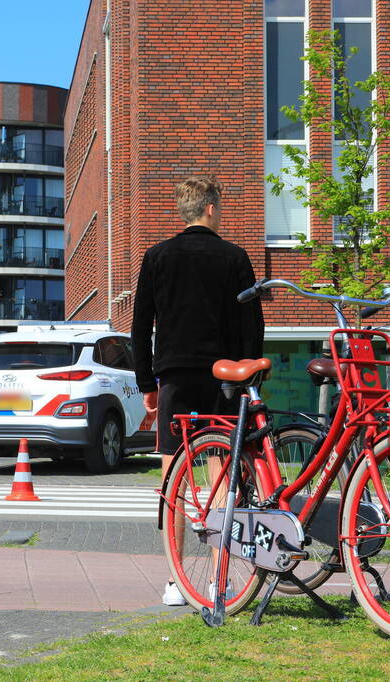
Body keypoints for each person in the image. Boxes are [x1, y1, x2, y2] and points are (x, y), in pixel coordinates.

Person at [131, 175, 264, 605]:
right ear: (210, 208)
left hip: (174, 377)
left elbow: (140, 326)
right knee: (221, 472)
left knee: (174, 478)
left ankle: (175, 581)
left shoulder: (156, 257)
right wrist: (249, 376)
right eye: (219, 208)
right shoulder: (235, 257)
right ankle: (217, 580)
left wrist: (147, 382)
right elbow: (252, 324)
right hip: (223, 380)